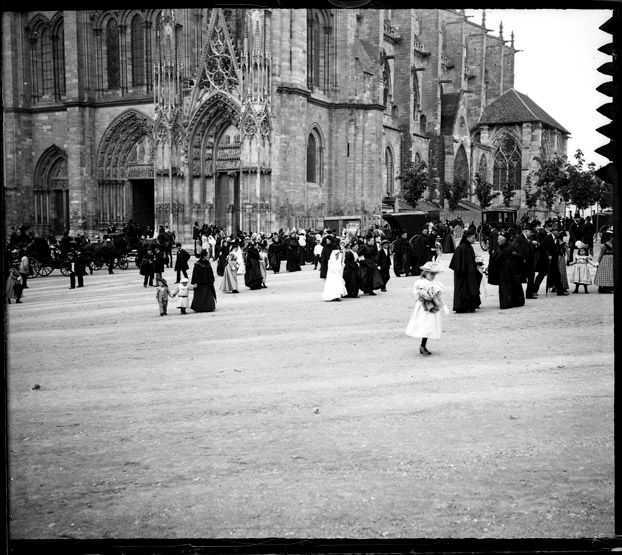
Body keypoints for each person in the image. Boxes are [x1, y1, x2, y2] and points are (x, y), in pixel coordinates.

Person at [404, 261, 448, 356]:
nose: (433, 276)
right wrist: (424, 295)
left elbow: (439, 296)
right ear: (425, 273)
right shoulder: (420, 283)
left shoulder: (436, 283)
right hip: (423, 308)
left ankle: (423, 345)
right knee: (425, 325)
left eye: (434, 274)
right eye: (431, 274)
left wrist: (442, 304)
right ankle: (422, 346)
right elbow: (416, 294)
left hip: (432, 307)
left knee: (430, 325)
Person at [487, 234, 524, 309]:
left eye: (499, 240)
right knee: (506, 288)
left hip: (511, 272)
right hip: (504, 272)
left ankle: (511, 302)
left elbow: (519, 257)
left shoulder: (511, 247)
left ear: (504, 240)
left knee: (511, 287)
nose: (497, 241)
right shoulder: (500, 247)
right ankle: (508, 303)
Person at [448, 228, 481, 313]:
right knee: (465, 289)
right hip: (462, 273)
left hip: (467, 272)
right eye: (473, 238)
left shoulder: (467, 247)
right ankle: (463, 306)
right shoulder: (462, 248)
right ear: (467, 237)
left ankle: (468, 306)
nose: (474, 240)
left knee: (469, 288)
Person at [511, 226, 537, 299]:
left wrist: (535, 245)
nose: (531, 234)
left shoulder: (529, 239)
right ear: (525, 231)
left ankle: (529, 293)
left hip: (530, 262)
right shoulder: (518, 238)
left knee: (531, 277)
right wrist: (521, 257)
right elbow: (514, 247)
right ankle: (518, 294)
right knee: (520, 278)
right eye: (530, 232)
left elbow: (530, 249)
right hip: (523, 261)